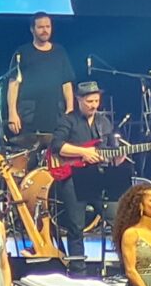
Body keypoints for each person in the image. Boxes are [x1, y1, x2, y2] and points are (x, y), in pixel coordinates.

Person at [50, 80, 124, 268]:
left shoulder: (104, 122)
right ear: (79, 100)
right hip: (73, 178)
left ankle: (124, 265)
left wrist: (118, 156)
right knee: (76, 226)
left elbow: (110, 151)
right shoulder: (68, 120)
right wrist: (83, 152)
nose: (93, 105)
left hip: (98, 178)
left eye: (96, 101)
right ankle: (77, 270)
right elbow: (57, 146)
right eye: (89, 101)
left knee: (117, 219)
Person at [5, 12, 76, 137]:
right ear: (32, 29)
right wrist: (12, 113)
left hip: (55, 113)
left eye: (48, 27)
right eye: (41, 27)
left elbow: (66, 83)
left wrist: (70, 109)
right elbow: (13, 85)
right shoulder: (22, 52)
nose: (45, 30)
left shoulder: (60, 51)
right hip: (29, 113)